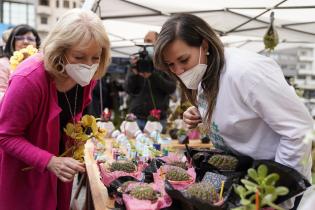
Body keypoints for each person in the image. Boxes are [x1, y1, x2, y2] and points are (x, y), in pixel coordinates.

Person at [153, 13, 312, 209]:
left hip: (271, 184)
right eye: (171, 65)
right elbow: (235, 108)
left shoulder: (247, 72)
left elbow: (300, 129)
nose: (178, 70)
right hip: (238, 175)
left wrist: (272, 193)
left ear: (204, 45)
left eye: (183, 60)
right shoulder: (206, 73)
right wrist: (200, 112)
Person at [0, 9, 111, 210]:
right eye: (79, 56)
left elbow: (71, 121)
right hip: (26, 178)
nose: (88, 65)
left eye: (95, 57)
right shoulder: (28, 79)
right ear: (60, 51)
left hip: (58, 175)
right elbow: (5, 136)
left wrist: (80, 152)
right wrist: (49, 161)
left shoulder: (86, 78)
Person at [125, 31, 176, 132]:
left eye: (148, 41)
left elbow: (171, 87)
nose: (145, 45)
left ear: (158, 44)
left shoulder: (165, 63)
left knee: (155, 147)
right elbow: (128, 88)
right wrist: (134, 73)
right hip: (136, 119)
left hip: (157, 120)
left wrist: (153, 75)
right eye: (144, 41)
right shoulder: (137, 62)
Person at [0, 24, 40, 100]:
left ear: (37, 44)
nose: (25, 42)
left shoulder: (42, 64)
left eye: (31, 39)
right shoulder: (3, 64)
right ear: (12, 42)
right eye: (20, 38)